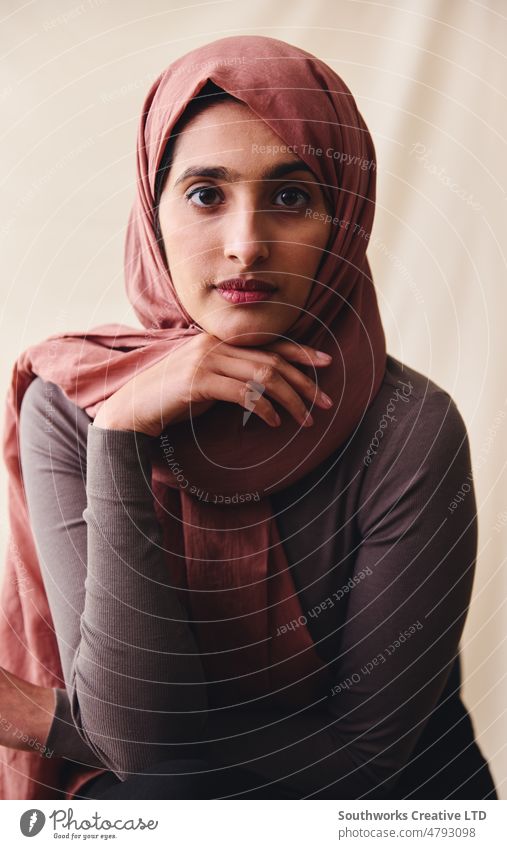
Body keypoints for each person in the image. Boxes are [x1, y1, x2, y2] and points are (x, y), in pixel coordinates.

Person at [0, 35, 497, 801]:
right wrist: (123, 434)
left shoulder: (407, 427)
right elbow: (137, 747)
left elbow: (365, 764)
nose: (245, 245)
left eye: (291, 196)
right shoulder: (73, 404)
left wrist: (51, 718)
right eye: (205, 194)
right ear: (151, 210)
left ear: (344, 218)